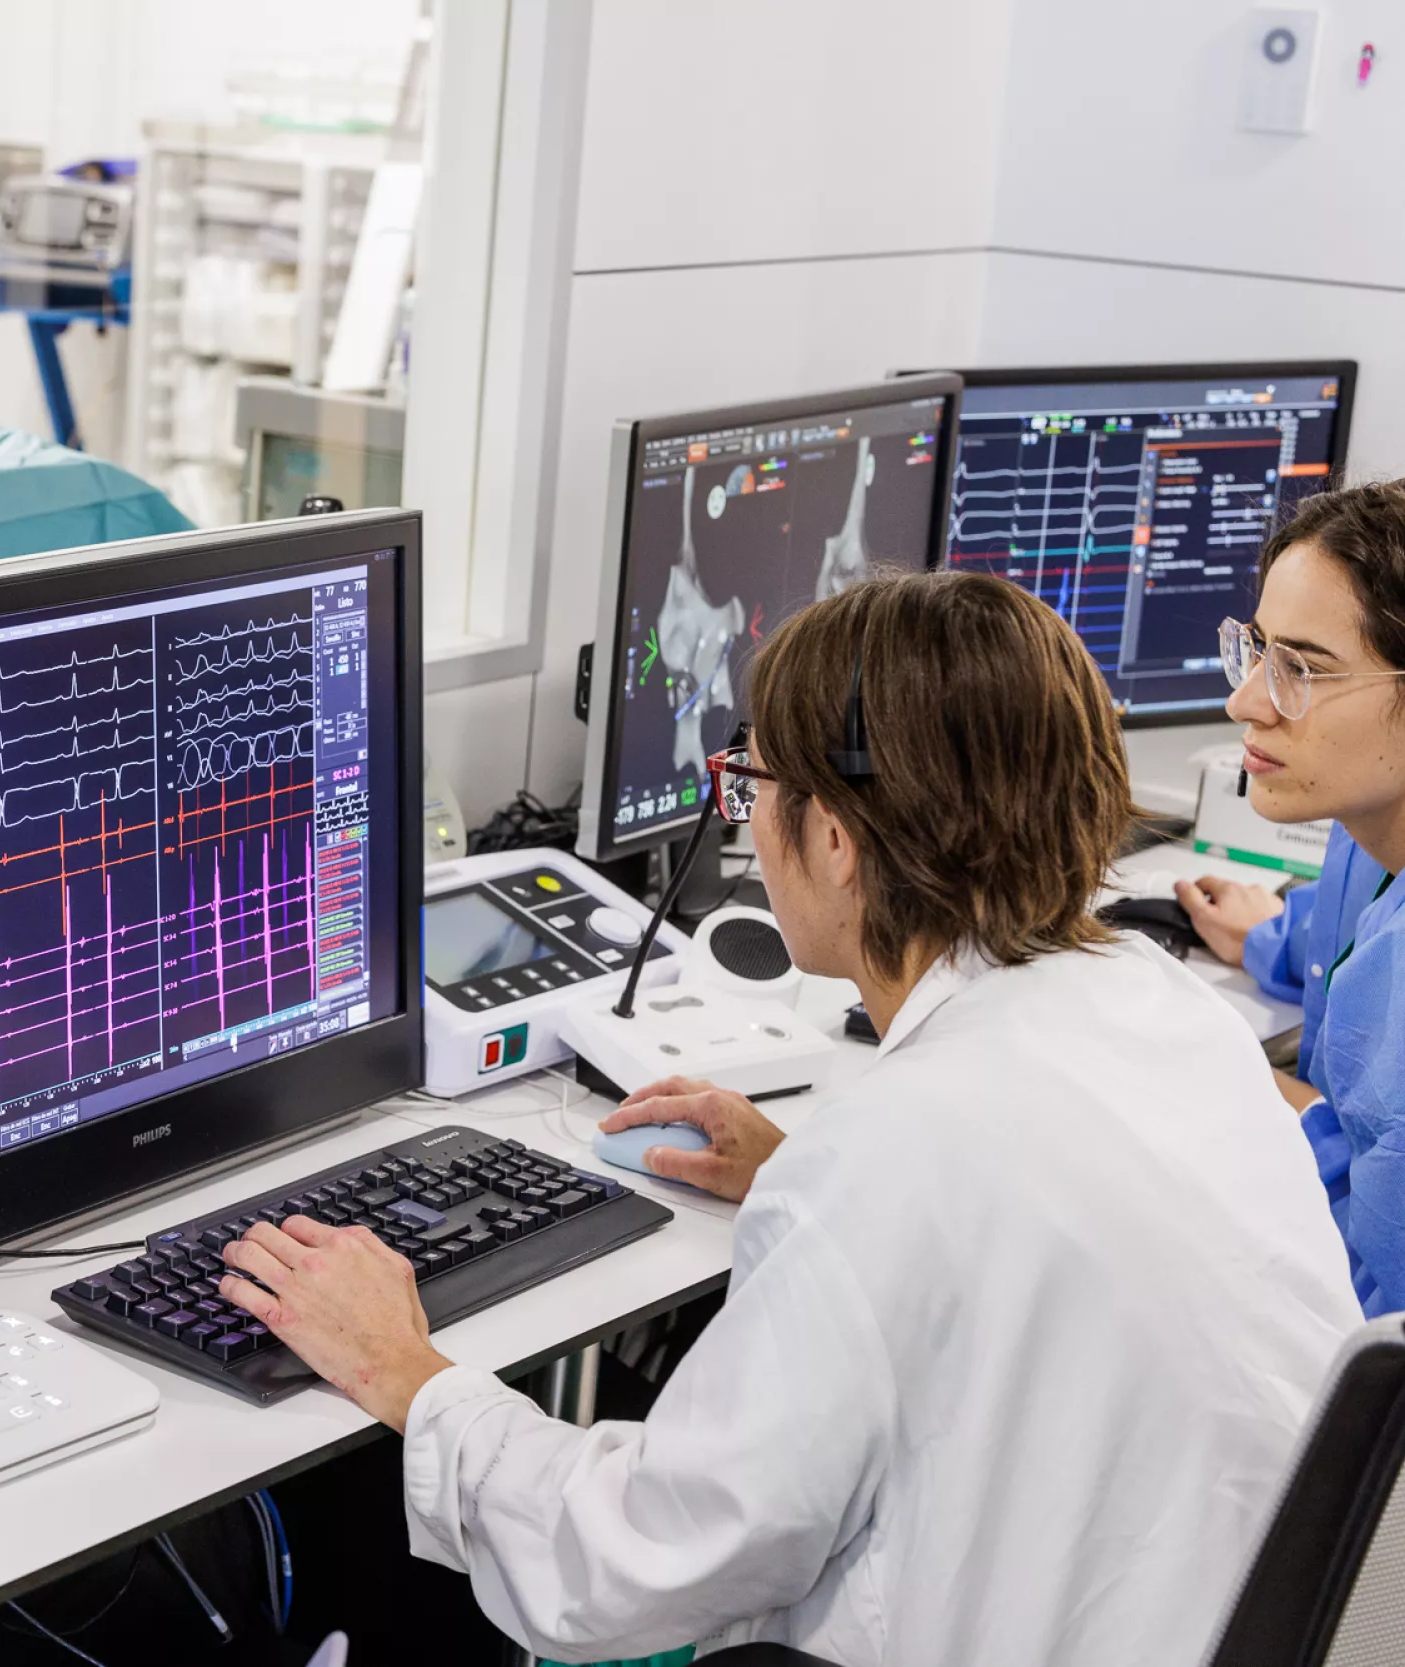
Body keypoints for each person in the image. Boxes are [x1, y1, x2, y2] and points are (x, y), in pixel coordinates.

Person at [215, 571, 1359, 1667]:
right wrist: (809, 1174)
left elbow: (635, 1562)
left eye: (751, 782)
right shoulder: (1167, 1012)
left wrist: (409, 1373)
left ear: (835, 839)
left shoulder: (897, 1155)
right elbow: (1025, 1223)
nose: (749, 819)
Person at [1172, 481, 1405, 1314]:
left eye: (1301, 669)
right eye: (1259, 650)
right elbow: (1344, 929)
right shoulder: (1367, 827)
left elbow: (1376, 1328)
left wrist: (1288, 1112)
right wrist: (1269, 937)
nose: (1244, 701)